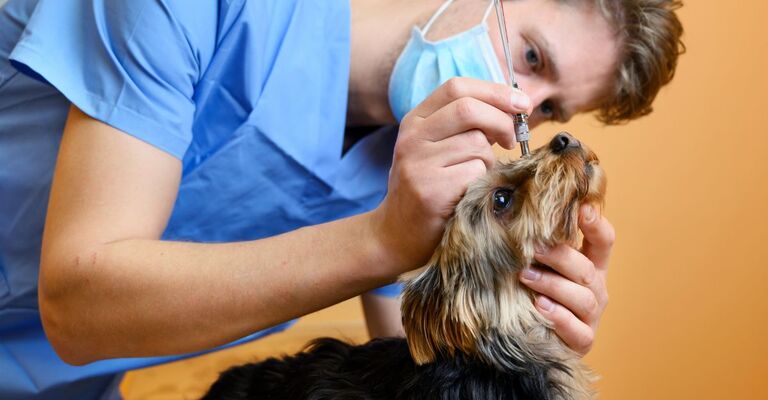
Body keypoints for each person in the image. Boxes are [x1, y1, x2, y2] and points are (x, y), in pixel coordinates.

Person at [0, 0, 683, 398]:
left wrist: (531, 328)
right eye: (531, 59)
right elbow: (77, 307)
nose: (520, 108)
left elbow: (418, 363)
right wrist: (381, 241)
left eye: (551, 108)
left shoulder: (413, 171)